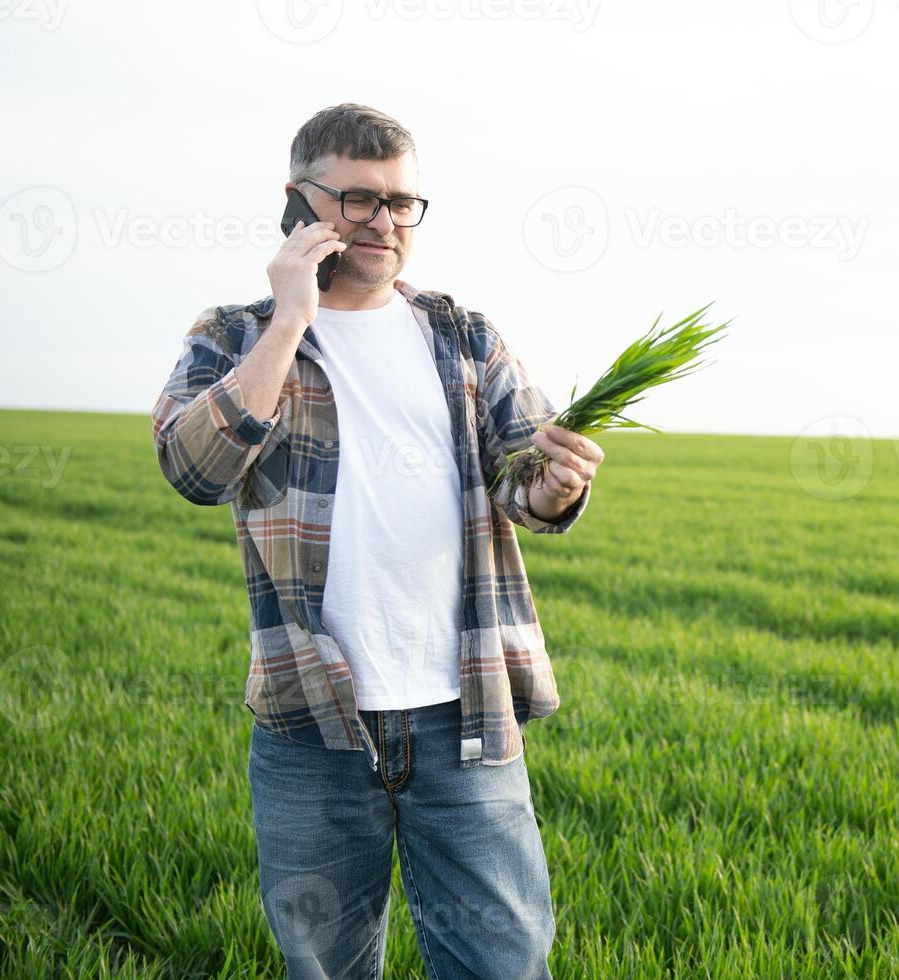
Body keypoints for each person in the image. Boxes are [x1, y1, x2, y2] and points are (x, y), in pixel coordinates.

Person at [150, 103, 603, 979]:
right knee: (326, 968)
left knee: (504, 964)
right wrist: (290, 319)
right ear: (298, 201)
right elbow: (193, 470)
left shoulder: (465, 336)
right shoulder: (232, 335)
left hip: (465, 714)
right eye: (359, 199)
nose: (385, 222)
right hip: (309, 721)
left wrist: (554, 485)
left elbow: (523, 480)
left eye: (402, 203)